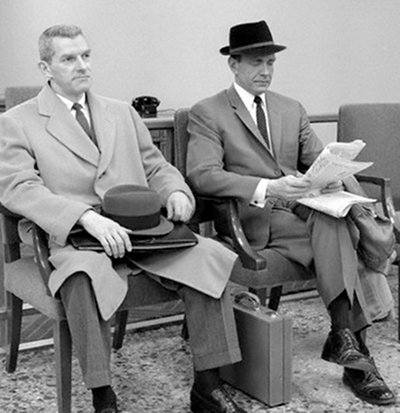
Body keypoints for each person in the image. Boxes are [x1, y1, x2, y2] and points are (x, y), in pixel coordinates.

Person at [0, 25, 248, 413]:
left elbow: (155, 166)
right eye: (68, 58)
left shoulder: (121, 112)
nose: (81, 65)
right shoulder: (18, 121)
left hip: (144, 233)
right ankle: (104, 397)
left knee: (209, 257)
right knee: (81, 278)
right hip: (79, 238)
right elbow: (18, 188)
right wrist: (84, 217)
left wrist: (176, 190)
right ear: (45, 67)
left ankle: (208, 385)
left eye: (85, 55)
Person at [186, 20, 396, 406]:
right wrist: (268, 187)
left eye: (270, 63)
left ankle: (345, 342)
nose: (265, 71)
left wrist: (333, 177)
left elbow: (317, 158)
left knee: (335, 219)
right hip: (254, 217)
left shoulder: (290, 108)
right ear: (233, 64)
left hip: (303, 209)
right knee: (343, 235)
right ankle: (356, 359)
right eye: (256, 63)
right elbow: (202, 175)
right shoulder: (208, 112)